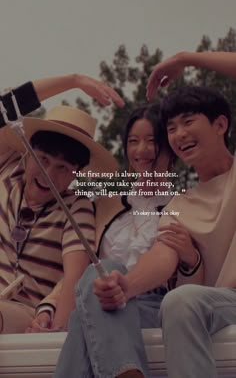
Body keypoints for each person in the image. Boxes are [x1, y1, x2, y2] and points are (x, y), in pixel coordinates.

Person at [53, 103, 202, 378]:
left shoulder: (187, 205)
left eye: (151, 141)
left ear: (170, 148)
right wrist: (49, 309)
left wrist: (190, 258)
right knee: (100, 278)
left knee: (82, 319)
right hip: (98, 299)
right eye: (133, 141)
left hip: (154, 308)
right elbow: (77, 270)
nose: (140, 150)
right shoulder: (104, 204)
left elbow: (195, 283)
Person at [0, 73, 124, 334]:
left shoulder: (76, 208)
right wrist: (73, 80)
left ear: (76, 173)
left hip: (22, 312)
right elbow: (5, 106)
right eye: (42, 159)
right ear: (26, 154)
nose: (49, 174)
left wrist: (56, 330)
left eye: (63, 167)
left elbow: (74, 275)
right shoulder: (6, 172)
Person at [146, 51, 236, 378]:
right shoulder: (178, 206)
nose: (179, 134)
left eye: (188, 121)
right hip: (222, 307)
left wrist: (188, 58)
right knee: (180, 301)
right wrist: (124, 285)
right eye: (171, 128)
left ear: (220, 124)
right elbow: (168, 267)